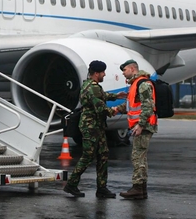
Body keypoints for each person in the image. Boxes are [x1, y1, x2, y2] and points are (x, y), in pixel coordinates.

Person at [63, 60, 127, 198]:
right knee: (87, 156)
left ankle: (102, 188)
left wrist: (117, 95)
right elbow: (101, 108)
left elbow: (101, 96)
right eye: (103, 72)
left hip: (96, 127)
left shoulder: (88, 84)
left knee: (103, 155)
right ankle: (71, 184)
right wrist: (120, 109)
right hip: (91, 127)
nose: (104, 74)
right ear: (96, 73)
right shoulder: (93, 87)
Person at [113, 59, 157, 200]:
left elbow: (148, 106)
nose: (123, 73)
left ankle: (137, 188)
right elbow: (130, 105)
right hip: (140, 125)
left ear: (132, 69)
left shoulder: (142, 84)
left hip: (143, 126)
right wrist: (116, 110)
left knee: (137, 157)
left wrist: (141, 124)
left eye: (124, 70)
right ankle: (141, 189)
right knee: (140, 157)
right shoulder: (135, 85)